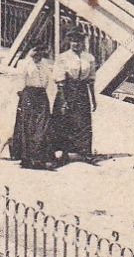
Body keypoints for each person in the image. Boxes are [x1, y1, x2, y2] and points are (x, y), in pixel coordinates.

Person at [50, 31, 97, 160]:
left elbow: (91, 79)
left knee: (83, 121)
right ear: (69, 42)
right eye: (73, 41)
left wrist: (93, 99)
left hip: (82, 91)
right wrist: (63, 100)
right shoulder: (63, 57)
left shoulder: (89, 58)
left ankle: (84, 152)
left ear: (82, 43)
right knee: (65, 120)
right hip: (67, 90)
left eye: (78, 41)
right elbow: (59, 80)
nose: (76, 44)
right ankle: (63, 152)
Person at [8, 41, 54, 168]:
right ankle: (27, 157)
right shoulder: (24, 64)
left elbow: (47, 80)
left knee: (43, 124)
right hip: (28, 94)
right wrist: (22, 95)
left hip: (41, 94)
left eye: (40, 51)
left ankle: (40, 156)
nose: (37, 54)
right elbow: (20, 80)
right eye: (35, 51)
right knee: (27, 126)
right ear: (30, 51)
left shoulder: (44, 64)